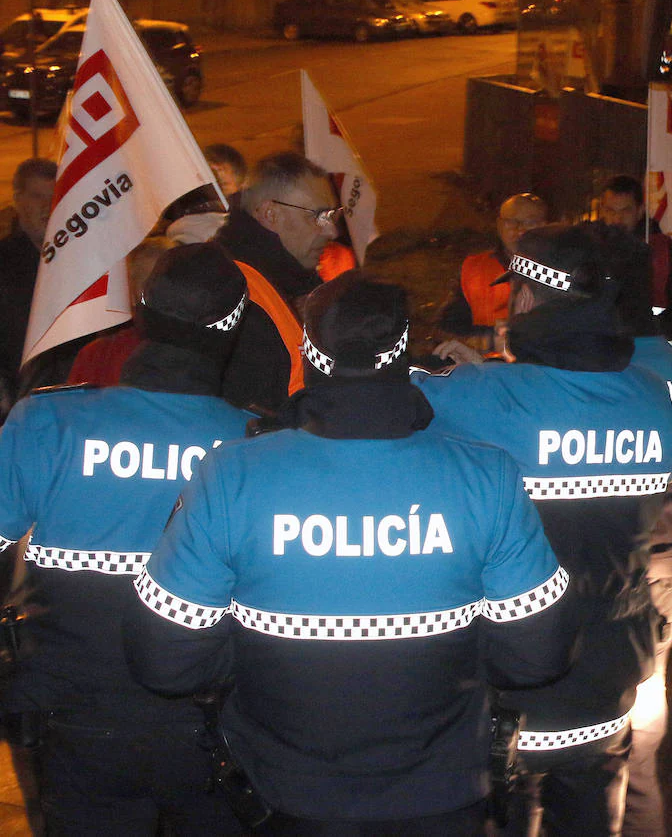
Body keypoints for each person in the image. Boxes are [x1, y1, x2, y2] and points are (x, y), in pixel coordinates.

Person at [126, 272, 576, 835]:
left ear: (308, 353)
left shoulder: (233, 473)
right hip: (441, 793)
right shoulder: (486, 475)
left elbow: (165, 661)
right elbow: (537, 657)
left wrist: (256, 656)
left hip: (279, 795)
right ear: (402, 353)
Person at [415, 225, 672, 836]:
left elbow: (382, 403)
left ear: (532, 299)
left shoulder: (482, 395)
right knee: (591, 814)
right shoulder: (652, 396)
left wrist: (466, 373)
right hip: (610, 672)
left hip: (509, 673)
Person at [0, 243, 254, 834]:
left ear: (141, 310)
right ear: (233, 329)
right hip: (216, 730)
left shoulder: (49, 421)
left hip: (74, 723)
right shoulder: (255, 444)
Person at [584, 223, 672, 837]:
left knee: (596, 748)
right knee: (644, 745)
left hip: (615, 578)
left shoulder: (613, 381)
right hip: (667, 571)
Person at [214, 151, 338, 411]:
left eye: (331, 216)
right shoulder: (235, 295)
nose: (332, 231)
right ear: (270, 214)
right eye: (317, 216)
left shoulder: (291, 282)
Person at [436, 193, 548, 357]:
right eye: (511, 222)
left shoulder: (562, 271)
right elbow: (446, 328)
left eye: (529, 222)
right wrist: (492, 339)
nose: (519, 230)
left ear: (545, 226)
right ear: (499, 225)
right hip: (487, 370)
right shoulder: (474, 269)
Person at [598, 175, 672, 342]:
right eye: (611, 211)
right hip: (601, 343)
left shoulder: (662, 250)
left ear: (640, 211)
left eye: (626, 211)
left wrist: (660, 331)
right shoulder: (589, 246)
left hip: (650, 343)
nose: (617, 219)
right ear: (602, 211)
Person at [65, 237, 173, 386]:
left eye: (171, 284)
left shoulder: (205, 349)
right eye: (152, 286)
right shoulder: (98, 357)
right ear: (130, 293)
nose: (165, 295)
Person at [0, 158, 56, 417]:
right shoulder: (5, 263)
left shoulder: (78, 263)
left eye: (54, 197)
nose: (47, 206)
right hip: (14, 407)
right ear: (17, 200)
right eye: (37, 196)